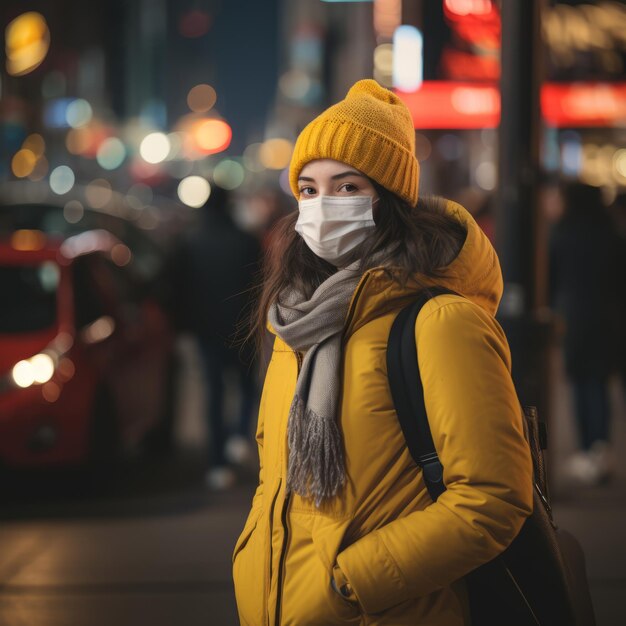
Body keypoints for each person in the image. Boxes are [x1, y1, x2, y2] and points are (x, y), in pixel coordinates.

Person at [233, 80, 533, 625]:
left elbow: (493, 497)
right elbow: (273, 479)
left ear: (388, 199)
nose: (323, 206)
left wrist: (352, 582)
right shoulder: (297, 324)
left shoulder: (442, 321)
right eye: (308, 188)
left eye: (347, 187)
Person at [170, 186, 261, 489]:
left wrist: (185, 325)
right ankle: (237, 437)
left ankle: (217, 464)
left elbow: (179, 289)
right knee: (247, 387)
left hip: (206, 331)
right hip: (242, 329)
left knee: (214, 394)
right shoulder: (246, 241)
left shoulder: (190, 242)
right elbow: (259, 285)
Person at [549, 182, 623, 486]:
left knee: (580, 383)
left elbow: (551, 278)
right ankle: (600, 448)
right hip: (609, 319)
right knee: (600, 383)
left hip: (577, 319)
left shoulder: (563, 233)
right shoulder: (611, 234)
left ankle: (585, 450)